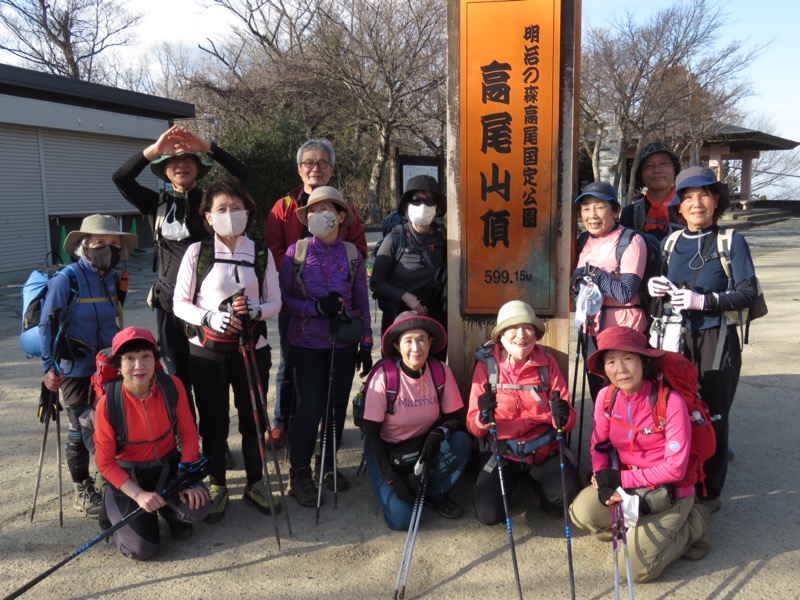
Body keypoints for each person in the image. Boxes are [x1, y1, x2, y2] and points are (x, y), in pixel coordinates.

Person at [112, 126, 249, 409]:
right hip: (170, 303)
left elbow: (245, 177)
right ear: (165, 170)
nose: (182, 165)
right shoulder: (155, 203)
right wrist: (154, 150)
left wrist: (208, 146)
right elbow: (121, 178)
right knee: (177, 376)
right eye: (174, 161)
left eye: (189, 160)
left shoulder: (212, 202)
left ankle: (214, 440)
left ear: (198, 169)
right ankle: (184, 440)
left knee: (209, 376)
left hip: (209, 306)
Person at [647, 166, 758, 513]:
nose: (696, 203)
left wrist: (705, 301)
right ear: (678, 205)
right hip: (675, 338)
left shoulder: (730, 241)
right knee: (676, 410)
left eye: (704, 194)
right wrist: (656, 290)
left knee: (713, 413)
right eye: (688, 196)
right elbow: (664, 294)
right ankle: (681, 481)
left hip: (716, 339)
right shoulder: (671, 242)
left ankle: (709, 495)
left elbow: (747, 291)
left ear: (715, 200)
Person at [173, 179, 282, 523]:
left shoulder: (261, 253)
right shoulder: (197, 252)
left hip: (253, 348)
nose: (230, 215)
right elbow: (179, 303)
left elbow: (275, 301)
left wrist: (256, 311)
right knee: (213, 421)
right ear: (207, 216)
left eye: (236, 208)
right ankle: (217, 483)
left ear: (248, 212)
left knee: (253, 419)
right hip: (206, 351)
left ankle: (255, 482)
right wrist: (209, 317)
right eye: (221, 209)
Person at [569, 326, 710, 583]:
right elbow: (599, 445)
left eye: (628, 358)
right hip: (629, 486)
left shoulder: (671, 402)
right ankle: (636, 528)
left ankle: (694, 523)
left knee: (632, 571)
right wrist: (603, 479)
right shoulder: (606, 397)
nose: (620, 368)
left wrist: (620, 480)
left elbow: (675, 469)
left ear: (644, 361)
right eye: (611, 361)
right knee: (581, 513)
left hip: (670, 491)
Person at [264, 138, 368, 450]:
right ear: (299, 169)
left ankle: (321, 423)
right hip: (296, 299)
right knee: (289, 360)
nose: (315, 168)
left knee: (332, 374)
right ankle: (284, 421)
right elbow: (274, 248)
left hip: (337, 309)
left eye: (322, 162)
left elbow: (358, 251)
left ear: (331, 169)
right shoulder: (283, 207)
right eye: (309, 162)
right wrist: (300, 274)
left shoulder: (344, 208)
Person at [277, 185, 373, 507]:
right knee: (310, 406)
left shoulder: (353, 255)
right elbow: (284, 300)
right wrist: (315, 308)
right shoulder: (297, 253)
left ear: (341, 216)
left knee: (336, 406)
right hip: (306, 343)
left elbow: (362, 300)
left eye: (328, 210)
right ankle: (300, 472)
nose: (321, 216)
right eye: (315, 211)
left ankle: (327, 464)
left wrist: (367, 342)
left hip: (343, 342)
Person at [40, 214, 136, 517]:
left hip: (108, 367)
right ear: (85, 246)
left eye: (113, 242)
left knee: (111, 424)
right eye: (100, 242)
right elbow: (47, 325)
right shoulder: (66, 279)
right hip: (75, 369)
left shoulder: (112, 278)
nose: (108, 247)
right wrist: (49, 367)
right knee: (85, 427)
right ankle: (85, 487)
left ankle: (112, 480)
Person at [94, 327, 210, 560]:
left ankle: (169, 512)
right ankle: (119, 511)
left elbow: (188, 435)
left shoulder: (172, 386)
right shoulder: (107, 405)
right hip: (129, 476)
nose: (139, 366)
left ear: (155, 359)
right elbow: (105, 463)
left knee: (199, 506)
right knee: (142, 550)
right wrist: (138, 495)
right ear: (118, 365)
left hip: (167, 468)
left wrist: (188, 478)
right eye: (130, 359)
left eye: (146, 356)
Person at [467, 301, 579, 524]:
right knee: (488, 514)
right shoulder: (487, 369)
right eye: (512, 328)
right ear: (500, 336)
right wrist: (483, 416)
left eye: (528, 328)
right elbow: (472, 424)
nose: (521, 335)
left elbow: (568, 417)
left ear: (536, 334)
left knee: (567, 499)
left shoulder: (547, 365)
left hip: (543, 452)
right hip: (503, 452)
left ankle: (545, 493)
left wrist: (563, 416)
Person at [362, 312, 470, 530]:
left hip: (424, 447)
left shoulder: (441, 372)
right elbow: (371, 436)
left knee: (461, 441)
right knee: (404, 521)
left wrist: (439, 432)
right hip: (386, 450)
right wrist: (392, 478)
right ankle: (399, 487)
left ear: (430, 343)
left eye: (421, 339)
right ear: (397, 345)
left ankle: (434, 493)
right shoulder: (384, 378)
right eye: (408, 341)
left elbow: (456, 420)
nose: (416, 348)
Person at [573, 181, 647, 401]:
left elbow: (625, 292)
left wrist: (593, 273)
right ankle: (604, 434)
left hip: (624, 332)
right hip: (592, 330)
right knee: (600, 393)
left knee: (626, 393)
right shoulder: (583, 240)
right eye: (586, 208)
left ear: (616, 211)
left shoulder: (631, 241)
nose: (591, 215)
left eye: (599, 207)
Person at [370, 175, 447, 358]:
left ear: (437, 207)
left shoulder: (444, 238)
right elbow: (377, 282)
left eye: (429, 201)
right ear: (406, 207)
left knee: (432, 373)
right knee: (396, 376)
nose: (422, 206)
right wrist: (405, 296)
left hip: (433, 322)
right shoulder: (395, 239)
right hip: (399, 320)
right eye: (416, 200)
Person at [619, 142, 683, 241]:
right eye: (649, 166)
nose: (657, 170)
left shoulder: (688, 209)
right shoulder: (630, 213)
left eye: (663, 164)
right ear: (641, 174)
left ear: (674, 168)